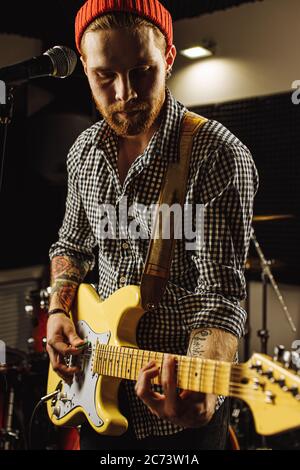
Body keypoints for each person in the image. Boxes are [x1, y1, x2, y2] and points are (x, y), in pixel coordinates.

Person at [46, 0, 259, 450]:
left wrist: (203, 386)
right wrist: (59, 312)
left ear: (168, 59)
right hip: (95, 397)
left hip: (178, 422)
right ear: (84, 67)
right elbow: (73, 244)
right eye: (105, 75)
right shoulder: (82, 152)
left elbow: (219, 293)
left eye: (143, 70)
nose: (125, 93)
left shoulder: (216, 154)